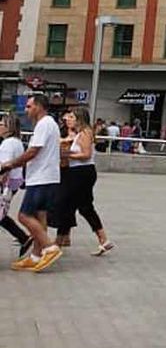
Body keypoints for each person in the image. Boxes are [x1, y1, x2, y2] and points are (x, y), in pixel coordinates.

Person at [0, 92, 63, 271]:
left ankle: (50, 248)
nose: (26, 110)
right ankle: (36, 256)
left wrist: (10, 164)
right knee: (39, 216)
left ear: (39, 106)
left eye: (29, 106)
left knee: (24, 216)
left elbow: (33, 151)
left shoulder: (44, 124)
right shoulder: (49, 124)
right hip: (46, 177)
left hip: (42, 178)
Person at [55, 107, 114, 256]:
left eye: (72, 117)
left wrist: (67, 155)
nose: (68, 119)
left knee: (72, 205)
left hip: (82, 172)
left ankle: (59, 241)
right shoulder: (79, 133)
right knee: (81, 206)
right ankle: (102, 239)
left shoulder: (85, 132)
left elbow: (86, 154)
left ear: (79, 119)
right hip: (78, 172)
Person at [0, 113, 31, 258]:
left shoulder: (7, 144)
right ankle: (23, 237)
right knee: (1, 215)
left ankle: (23, 237)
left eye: (1, 124)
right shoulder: (17, 142)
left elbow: (5, 167)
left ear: (9, 127)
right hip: (13, 183)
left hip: (5, 185)